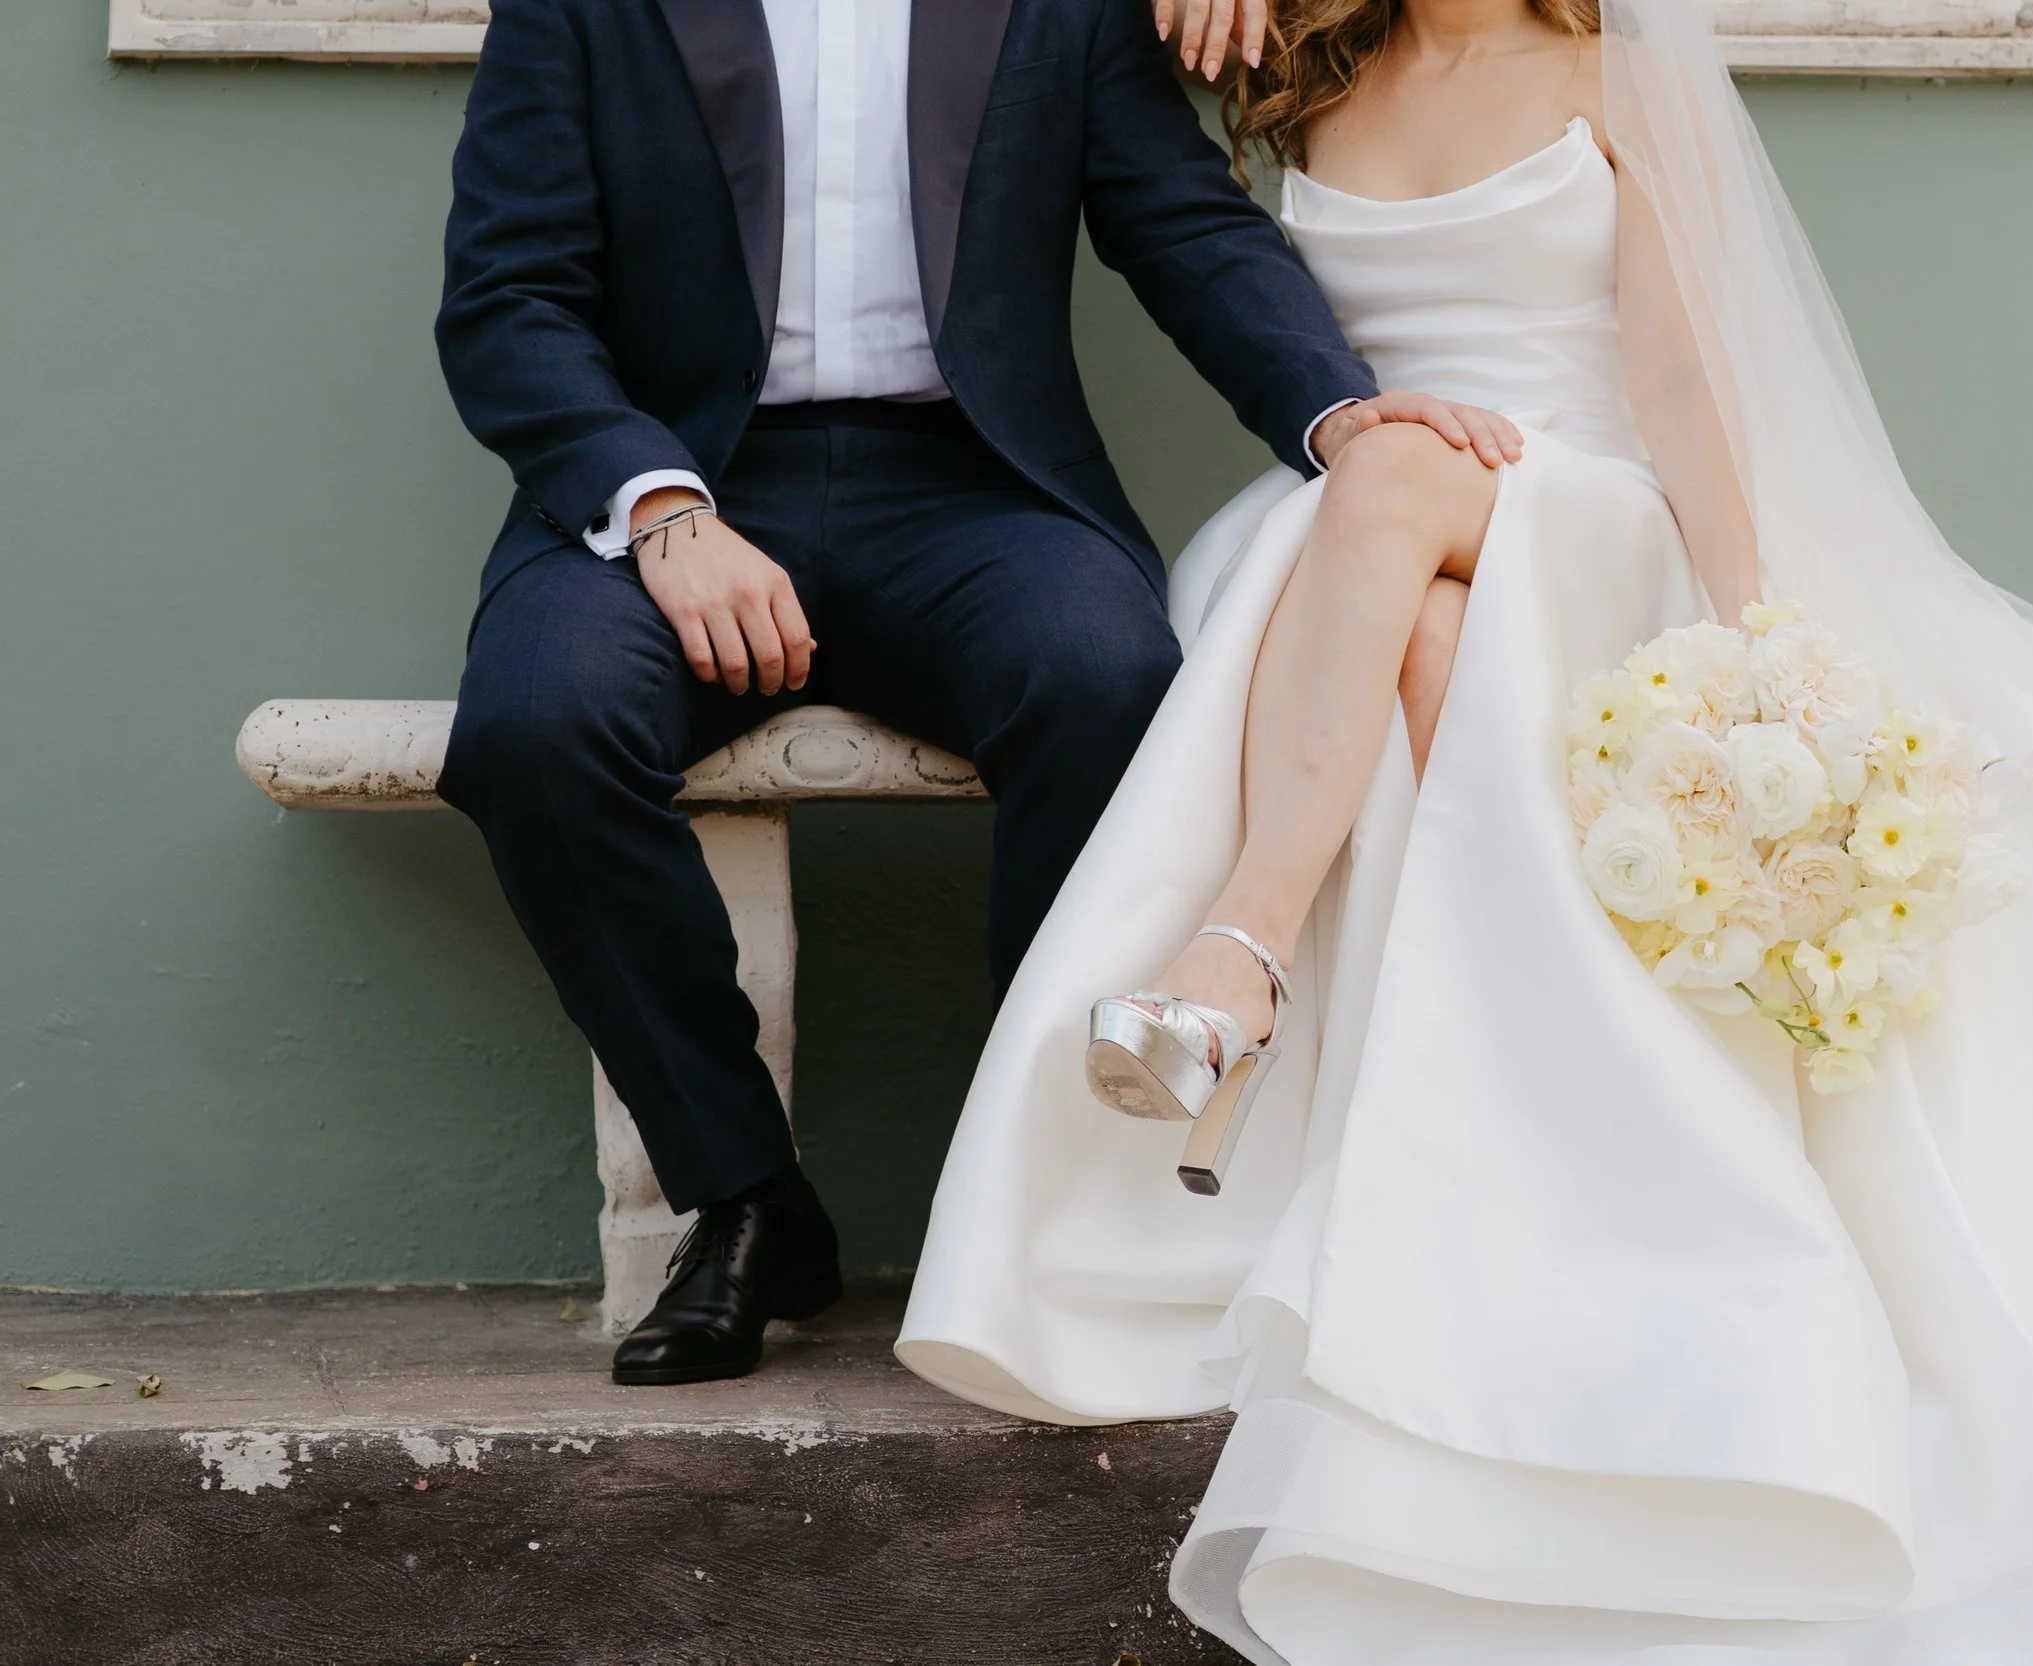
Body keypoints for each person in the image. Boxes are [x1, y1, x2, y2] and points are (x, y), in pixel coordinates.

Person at [896, 0, 2033, 1661]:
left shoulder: (1612, 70)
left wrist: (1748, 645)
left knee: (1379, 492)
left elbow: (1675, 359)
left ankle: (1234, 958)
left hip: (1592, 515)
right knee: (1414, 615)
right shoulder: (1307, 62)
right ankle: (1505, 1137)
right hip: (1385, 562)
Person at [429, 0, 1510, 1388]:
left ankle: (1025, 1187)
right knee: (534, 724)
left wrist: (1340, 412)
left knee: (1109, 674)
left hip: (969, 483)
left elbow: (1179, 220)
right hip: (681, 484)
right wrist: (654, 506)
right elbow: (506, 292)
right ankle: (747, 1193)